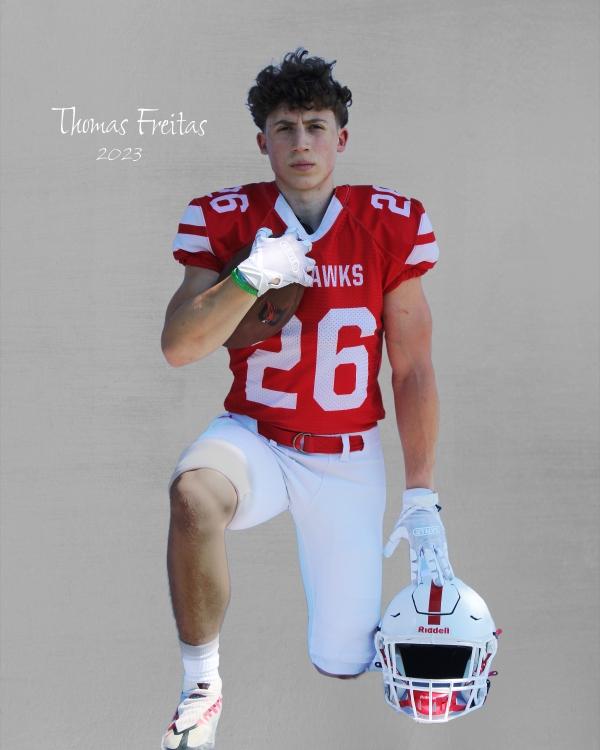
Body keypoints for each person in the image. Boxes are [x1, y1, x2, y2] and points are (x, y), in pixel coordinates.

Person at [160, 49, 454, 750]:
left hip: (348, 457)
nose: (301, 143)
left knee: (343, 662)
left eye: (315, 126)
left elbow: (411, 367)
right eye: (284, 128)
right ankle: (201, 688)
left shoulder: (389, 221)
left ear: (340, 138)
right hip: (255, 435)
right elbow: (179, 346)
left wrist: (421, 494)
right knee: (194, 494)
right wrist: (250, 276)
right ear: (261, 141)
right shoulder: (227, 217)